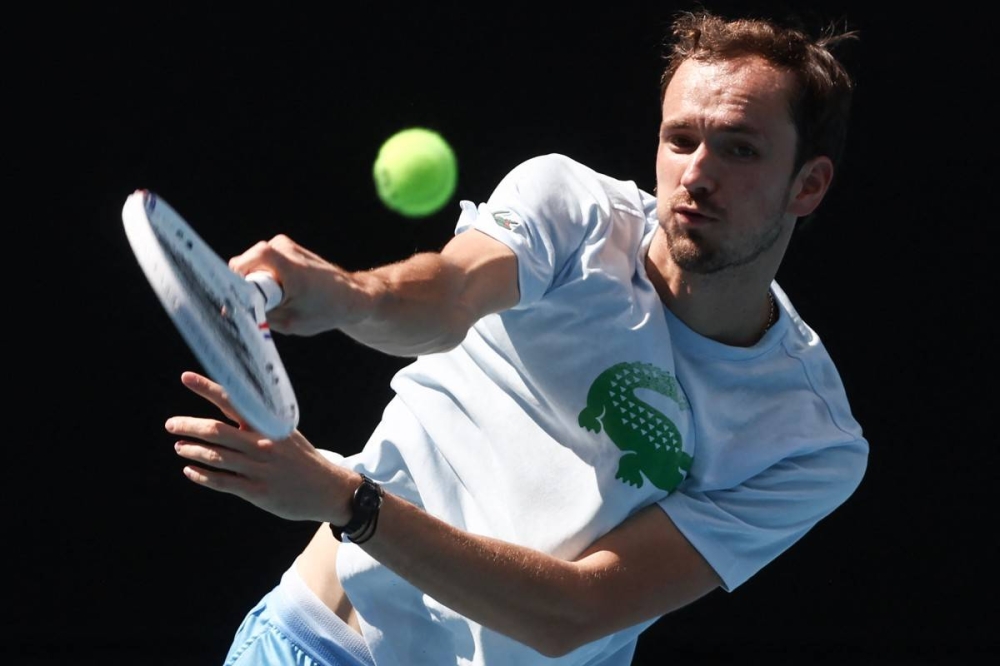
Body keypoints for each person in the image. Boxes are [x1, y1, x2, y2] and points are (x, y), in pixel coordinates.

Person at [164, 9, 868, 666]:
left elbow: (574, 612)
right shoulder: (571, 207)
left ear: (808, 186)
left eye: (740, 150)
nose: (697, 175)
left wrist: (347, 500)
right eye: (680, 139)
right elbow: (446, 296)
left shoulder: (808, 439)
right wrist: (346, 295)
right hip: (311, 643)